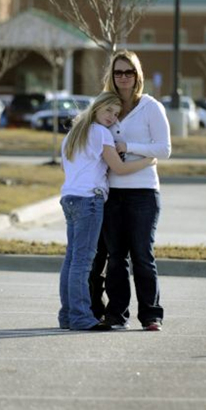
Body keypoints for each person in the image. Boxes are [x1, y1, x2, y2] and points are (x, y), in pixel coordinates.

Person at [57, 91, 156, 331]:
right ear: (97, 107)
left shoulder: (73, 134)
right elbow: (119, 168)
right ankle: (81, 317)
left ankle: (67, 315)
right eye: (108, 110)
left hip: (69, 198)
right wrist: (149, 160)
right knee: (82, 262)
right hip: (89, 201)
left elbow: (66, 167)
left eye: (116, 114)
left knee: (71, 259)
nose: (112, 117)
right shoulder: (101, 132)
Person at [101, 50, 171, 331]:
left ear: (137, 75)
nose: (123, 77)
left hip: (143, 192)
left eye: (128, 72)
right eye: (118, 72)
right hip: (111, 192)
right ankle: (116, 315)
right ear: (112, 76)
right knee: (116, 258)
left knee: (142, 255)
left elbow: (164, 149)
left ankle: (151, 315)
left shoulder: (151, 107)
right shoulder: (106, 106)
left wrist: (128, 147)